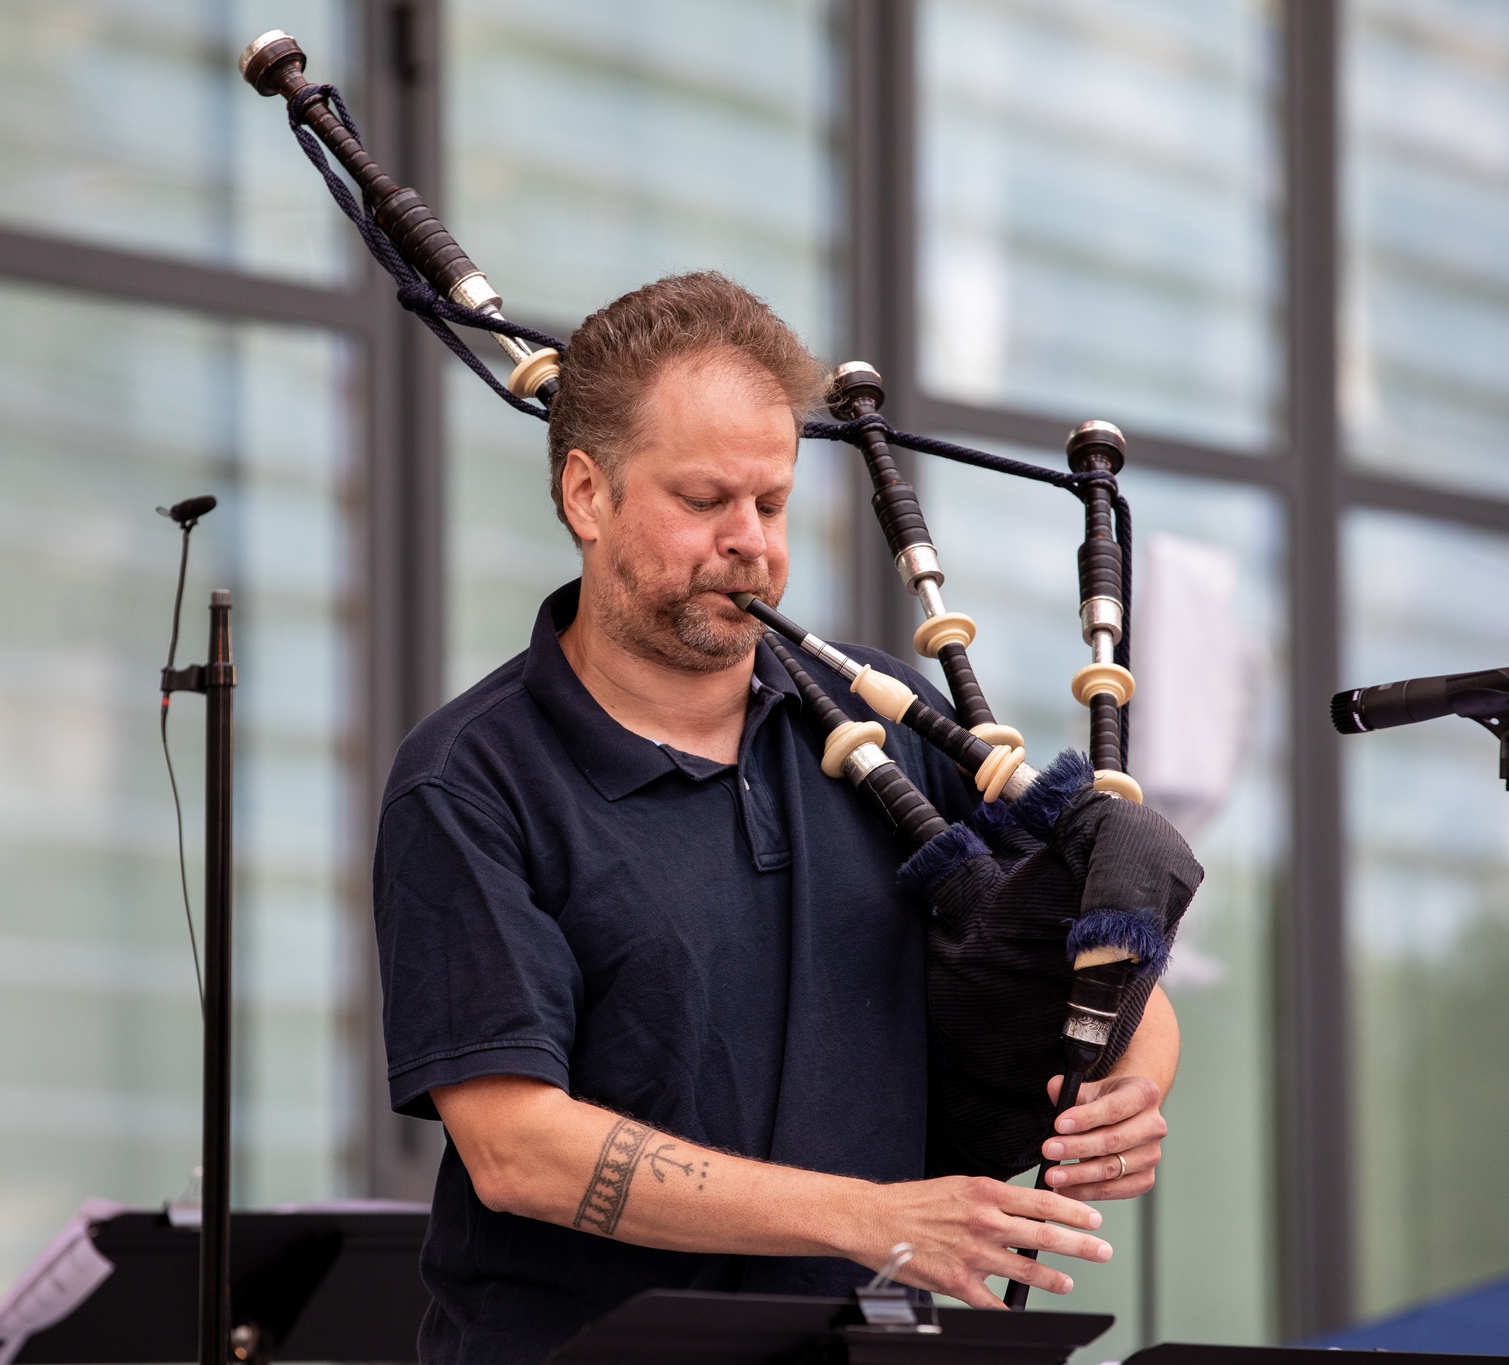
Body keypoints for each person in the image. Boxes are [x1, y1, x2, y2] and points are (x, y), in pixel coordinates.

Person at [374, 272, 1180, 1365]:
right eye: (703, 502)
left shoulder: (887, 719)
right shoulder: (472, 781)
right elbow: (517, 1147)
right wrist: (870, 1218)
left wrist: (1126, 1090)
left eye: (771, 502)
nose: (749, 541)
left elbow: (1099, 950)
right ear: (584, 494)